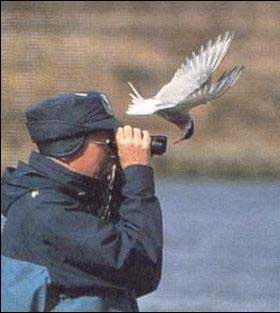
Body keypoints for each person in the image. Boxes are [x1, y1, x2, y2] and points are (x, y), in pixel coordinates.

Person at [1, 91, 163, 312]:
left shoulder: (61, 199)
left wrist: (119, 181)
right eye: (108, 143)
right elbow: (141, 267)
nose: (113, 153)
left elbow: (128, 277)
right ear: (69, 146)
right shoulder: (49, 212)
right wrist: (137, 174)